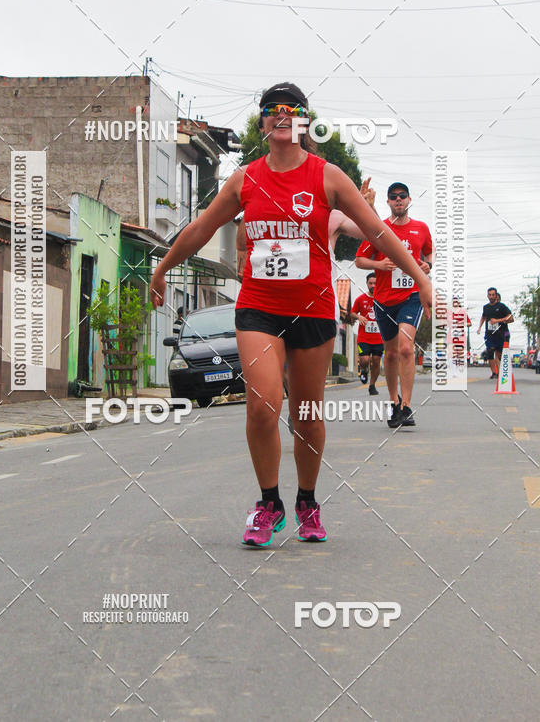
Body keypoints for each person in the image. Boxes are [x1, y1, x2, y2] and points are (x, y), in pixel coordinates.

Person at [149, 83, 432, 548]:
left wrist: (419, 279)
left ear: (304, 121)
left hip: (314, 311)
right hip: (259, 308)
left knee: (307, 413)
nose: (282, 115)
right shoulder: (245, 179)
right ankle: (268, 503)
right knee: (263, 406)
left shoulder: (328, 177)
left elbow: (378, 232)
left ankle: (306, 500)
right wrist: (162, 268)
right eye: (272, 110)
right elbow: (202, 227)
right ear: (262, 123)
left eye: (293, 109)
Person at [236, 177, 379, 433]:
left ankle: (302, 410)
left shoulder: (333, 216)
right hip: (272, 302)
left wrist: (368, 207)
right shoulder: (270, 207)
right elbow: (243, 231)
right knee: (280, 366)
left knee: (307, 379)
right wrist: (241, 258)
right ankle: (295, 404)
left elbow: (373, 231)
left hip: (315, 305)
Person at [355, 182, 433, 428]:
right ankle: (393, 403)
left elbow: (429, 255)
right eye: (393, 197)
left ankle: (407, 406)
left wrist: (427, 266)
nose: (398, 200)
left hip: (410, 297)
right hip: (383, 300)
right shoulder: (380, 229)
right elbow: (359, 260)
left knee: (406, 348)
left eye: (402, 196)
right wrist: (380, 265)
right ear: (387, 202)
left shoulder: (421, 229)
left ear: (409, 200)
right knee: (390, 354)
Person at [350, 272, 384, 395]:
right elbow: (352, 313)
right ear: (367, 283)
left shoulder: (383, 299)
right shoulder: (361, 299)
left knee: (376, 360)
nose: (373, 285)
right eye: (371, 283)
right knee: (364, 359)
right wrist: (359, 317)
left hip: (379, 338)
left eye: (375, 283)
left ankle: (372, 385)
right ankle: (364, 370)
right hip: (364, 337)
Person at [476, 288, 514, 379]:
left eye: (493, 295)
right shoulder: (486, 307)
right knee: (490, 351)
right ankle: (494, 372)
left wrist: (497, 320)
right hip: (489, 334)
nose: (491, 296)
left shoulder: (502, 306)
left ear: (496, 295)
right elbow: (483, 317)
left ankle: (502, 373)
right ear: (487, 296)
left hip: (500, 334)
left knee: (500, 354)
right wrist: (479, 327)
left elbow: (511, 319)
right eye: (490, 295)